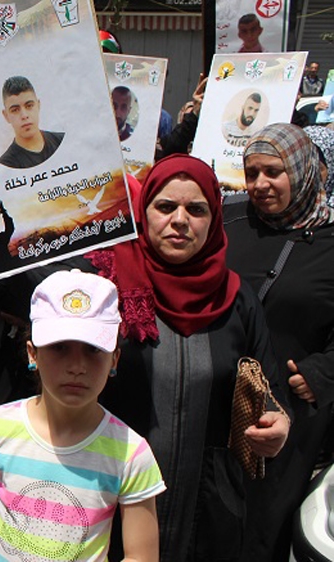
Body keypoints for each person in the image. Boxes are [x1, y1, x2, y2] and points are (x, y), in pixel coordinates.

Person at [0, 154, 292, 561]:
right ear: (143, 211)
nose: (179, 220)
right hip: (99, 500)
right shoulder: (102, 282)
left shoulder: (236, 300)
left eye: (196, 209)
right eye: (165, 206)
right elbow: (15, 282)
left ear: (214, 218)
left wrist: (277, 425)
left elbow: (269, 388)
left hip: (204, 506)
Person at [0, 269, 164, 561]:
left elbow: (140, 556)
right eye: (59, 347)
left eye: (93, 349)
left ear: (114, 359)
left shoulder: (131, 454)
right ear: (33, 354)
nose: (77, 366)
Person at [224, 123, 334, 561]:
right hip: (218, 402)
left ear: (304, 170)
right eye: (252, 173)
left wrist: (323, 373)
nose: (260, 185)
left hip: (288, 415)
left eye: (274, 172)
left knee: (262, 531)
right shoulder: (229, 222)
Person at [0, 76, 64, 169]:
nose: (24, 116)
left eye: (29, 106)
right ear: (6, 116)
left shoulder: (62, 142)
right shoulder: (6, 166)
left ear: (38, 105)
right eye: (15, 110)